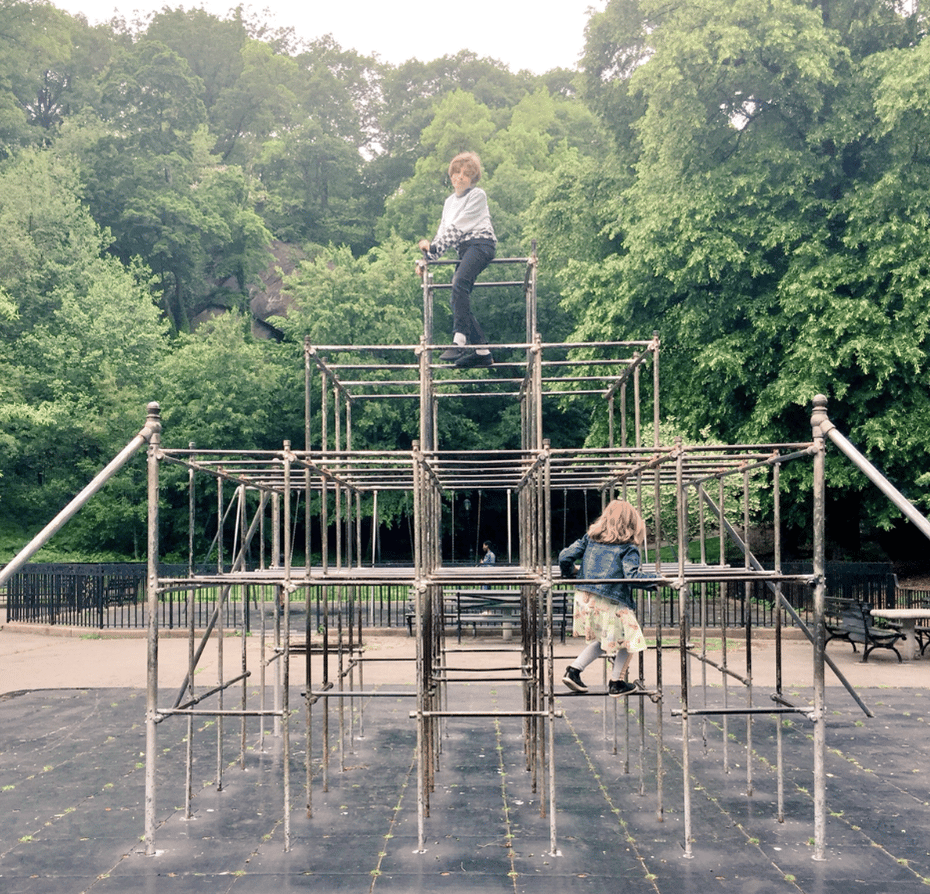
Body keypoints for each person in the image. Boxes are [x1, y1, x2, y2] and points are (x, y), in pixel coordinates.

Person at [558, 499, 657, 697]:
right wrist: (658, 581)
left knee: (607, 639)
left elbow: (564, 556)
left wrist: (571, 573)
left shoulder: (590, 539)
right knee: (631, 639)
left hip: (585, 598)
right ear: (631, 523)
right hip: (609, 600)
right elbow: (633, 577)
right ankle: (617, 682)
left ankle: (574, 671)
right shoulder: (628, 547)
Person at [417, 151, 496, 369]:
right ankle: (482, 351)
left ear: (472, 179)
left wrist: (433, 248)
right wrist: (426, 260)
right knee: (457, 296)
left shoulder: (478, 196)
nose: (459, 177)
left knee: (459, 283)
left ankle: (459, 339)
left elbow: (457, 228)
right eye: (456, 173)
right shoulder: (449, 202)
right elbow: (442, 232)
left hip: (481, 244)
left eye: (465, 174)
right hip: (464, 250)